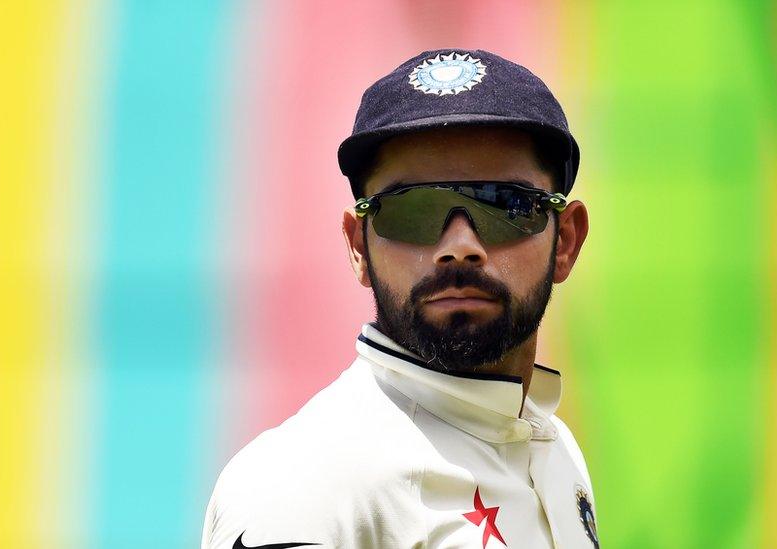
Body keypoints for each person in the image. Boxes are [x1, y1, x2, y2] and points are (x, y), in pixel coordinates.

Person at [202, 49, 597, 549]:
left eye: (504, 203)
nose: (459, 248)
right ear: (357, 246)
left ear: (565, 241)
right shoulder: (298, 481)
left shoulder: (556, 450)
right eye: (411, 210)